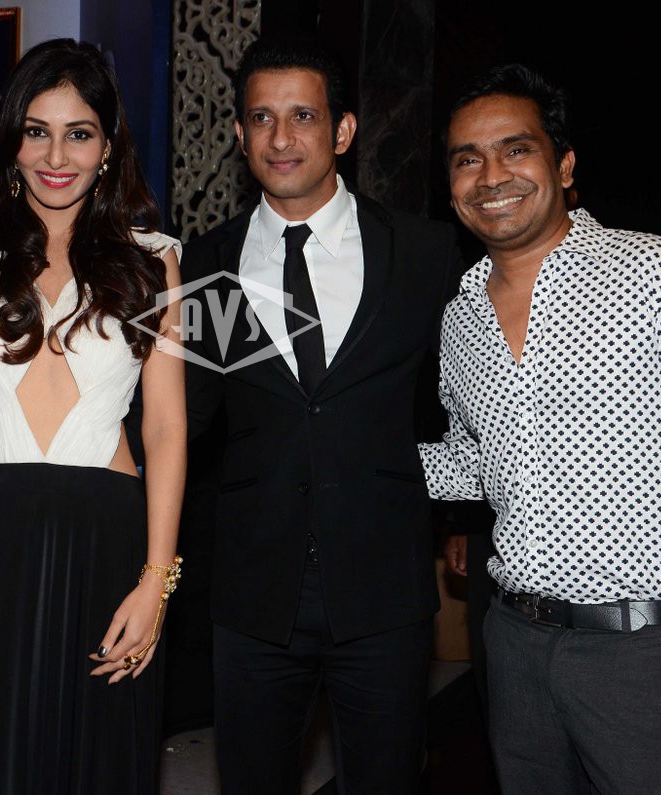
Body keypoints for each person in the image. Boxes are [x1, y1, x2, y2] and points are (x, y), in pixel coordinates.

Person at [420, 64, 661, 793]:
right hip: (514, 645)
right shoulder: (459, 318)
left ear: (564, 165)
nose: (491, 176)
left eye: (516, 150)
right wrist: (354, 454)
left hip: (645, 653)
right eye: (467, 159)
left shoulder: (659, 272)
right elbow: (474, 462)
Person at [0, 38, 186, 794]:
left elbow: (165, 427)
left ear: (107, 144)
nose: (56, 156)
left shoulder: (153, 258)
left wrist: (155, 583)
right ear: (12, 140)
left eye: (79, 133)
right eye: (37, 131)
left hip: (111, 545)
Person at [182, 37, 462, 793]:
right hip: (252, 594)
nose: (281, 138)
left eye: (302, 116)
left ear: (342, 130)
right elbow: (181, 417)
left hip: (383, 590)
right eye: (261, 118)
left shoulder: (423, 253)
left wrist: (467, 521)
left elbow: (459, 404)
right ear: (238, 134)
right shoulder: (204, 263)